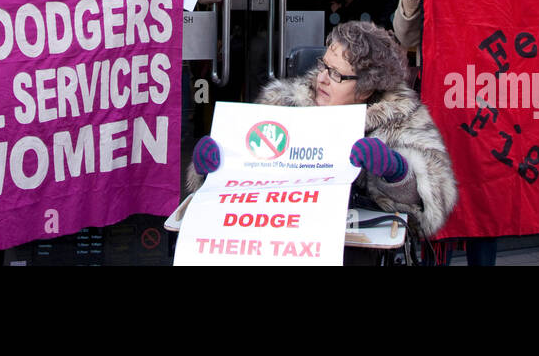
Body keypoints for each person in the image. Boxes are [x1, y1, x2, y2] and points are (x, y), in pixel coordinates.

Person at [190, 20, 456, 260]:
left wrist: (397, 173)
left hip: (354, 251)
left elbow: (432, 206)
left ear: (367, 88)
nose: (322, 79)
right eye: (324, 66)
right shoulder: (284, 104)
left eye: (337, 75)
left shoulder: (402, 120)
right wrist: (212, 169)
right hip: (280, 247)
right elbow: (235, 189)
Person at [392, 0, 514, 265]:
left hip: (493, 98)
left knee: (487, 189)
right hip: (443, 96)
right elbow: (406, 36)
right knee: (437, 188)